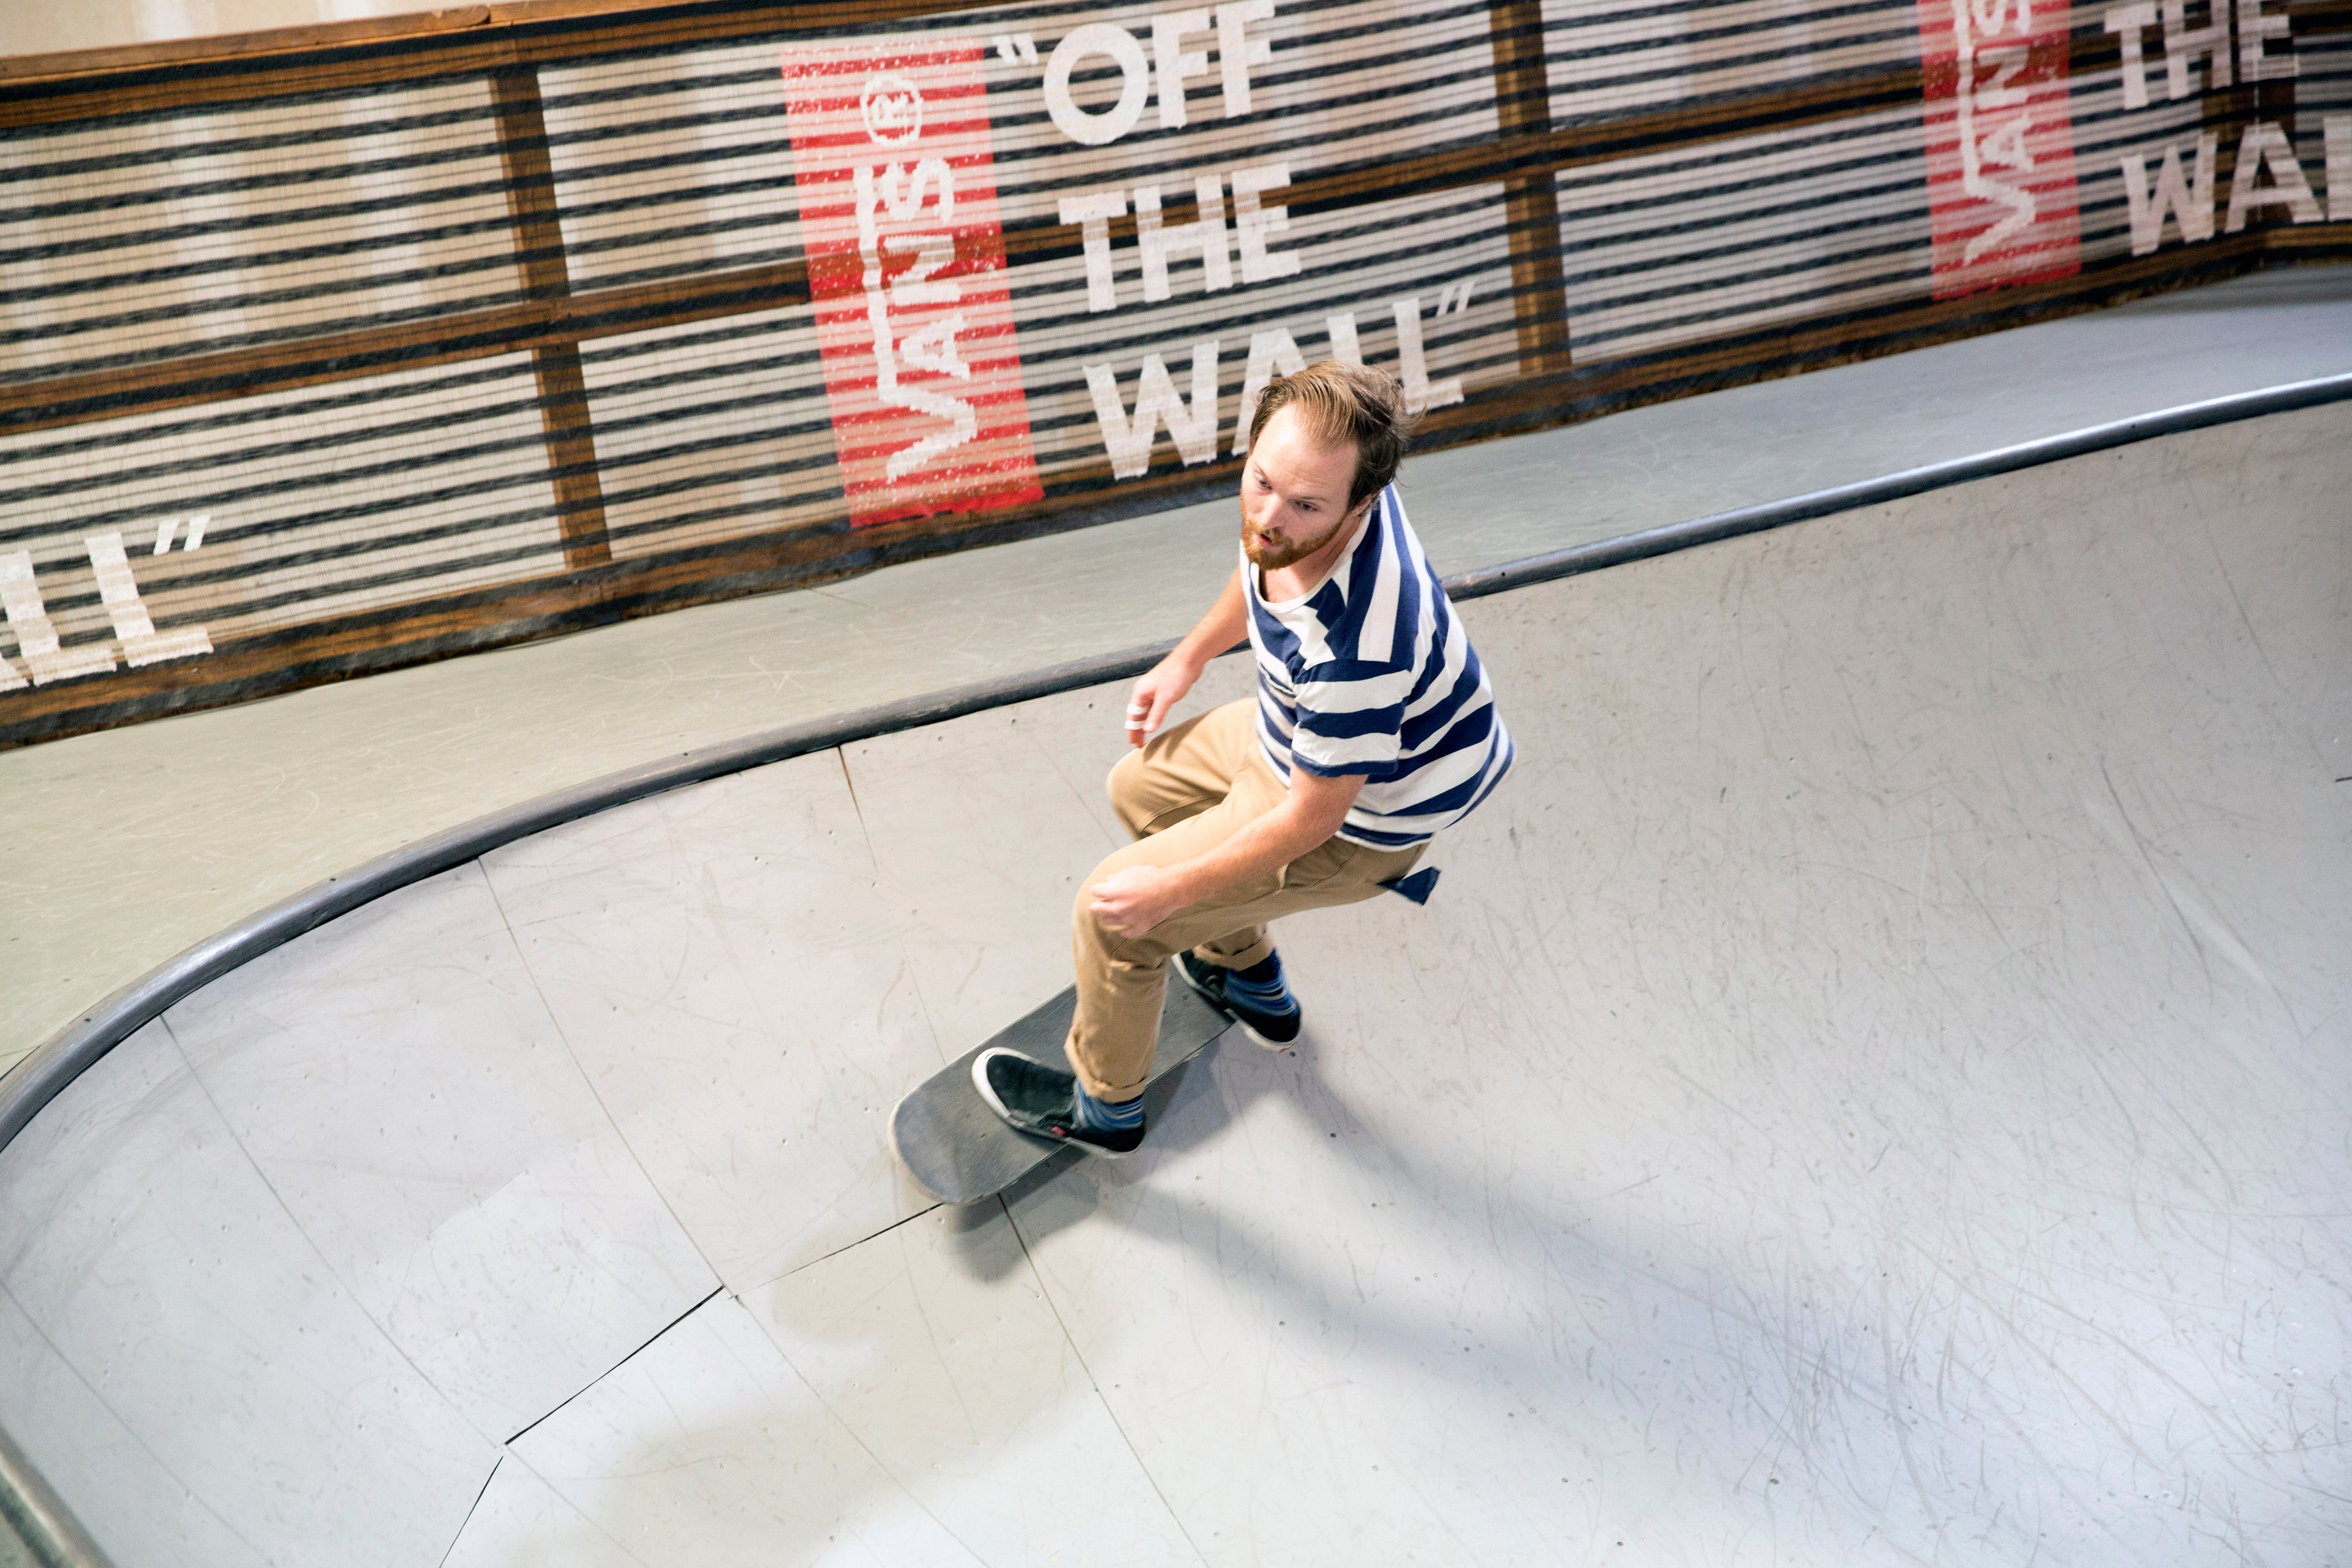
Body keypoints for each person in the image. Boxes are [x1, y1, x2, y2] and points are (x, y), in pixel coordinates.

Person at [973, 360, 1514, 1154]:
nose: (1270, 516)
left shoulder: (1358, 644)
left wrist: (1172, 894)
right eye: (1260, 482)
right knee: (1140, 789)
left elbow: (1310, 818)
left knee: (1115, 914)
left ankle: (1105, 1109)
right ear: (1256, 443)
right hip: (1295, 738)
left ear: (1360, 504)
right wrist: (1186, 658)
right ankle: (1248, 976)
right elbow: (1262, 564)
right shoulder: (1316, 489)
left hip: (1352, 824)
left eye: (1304, 506)